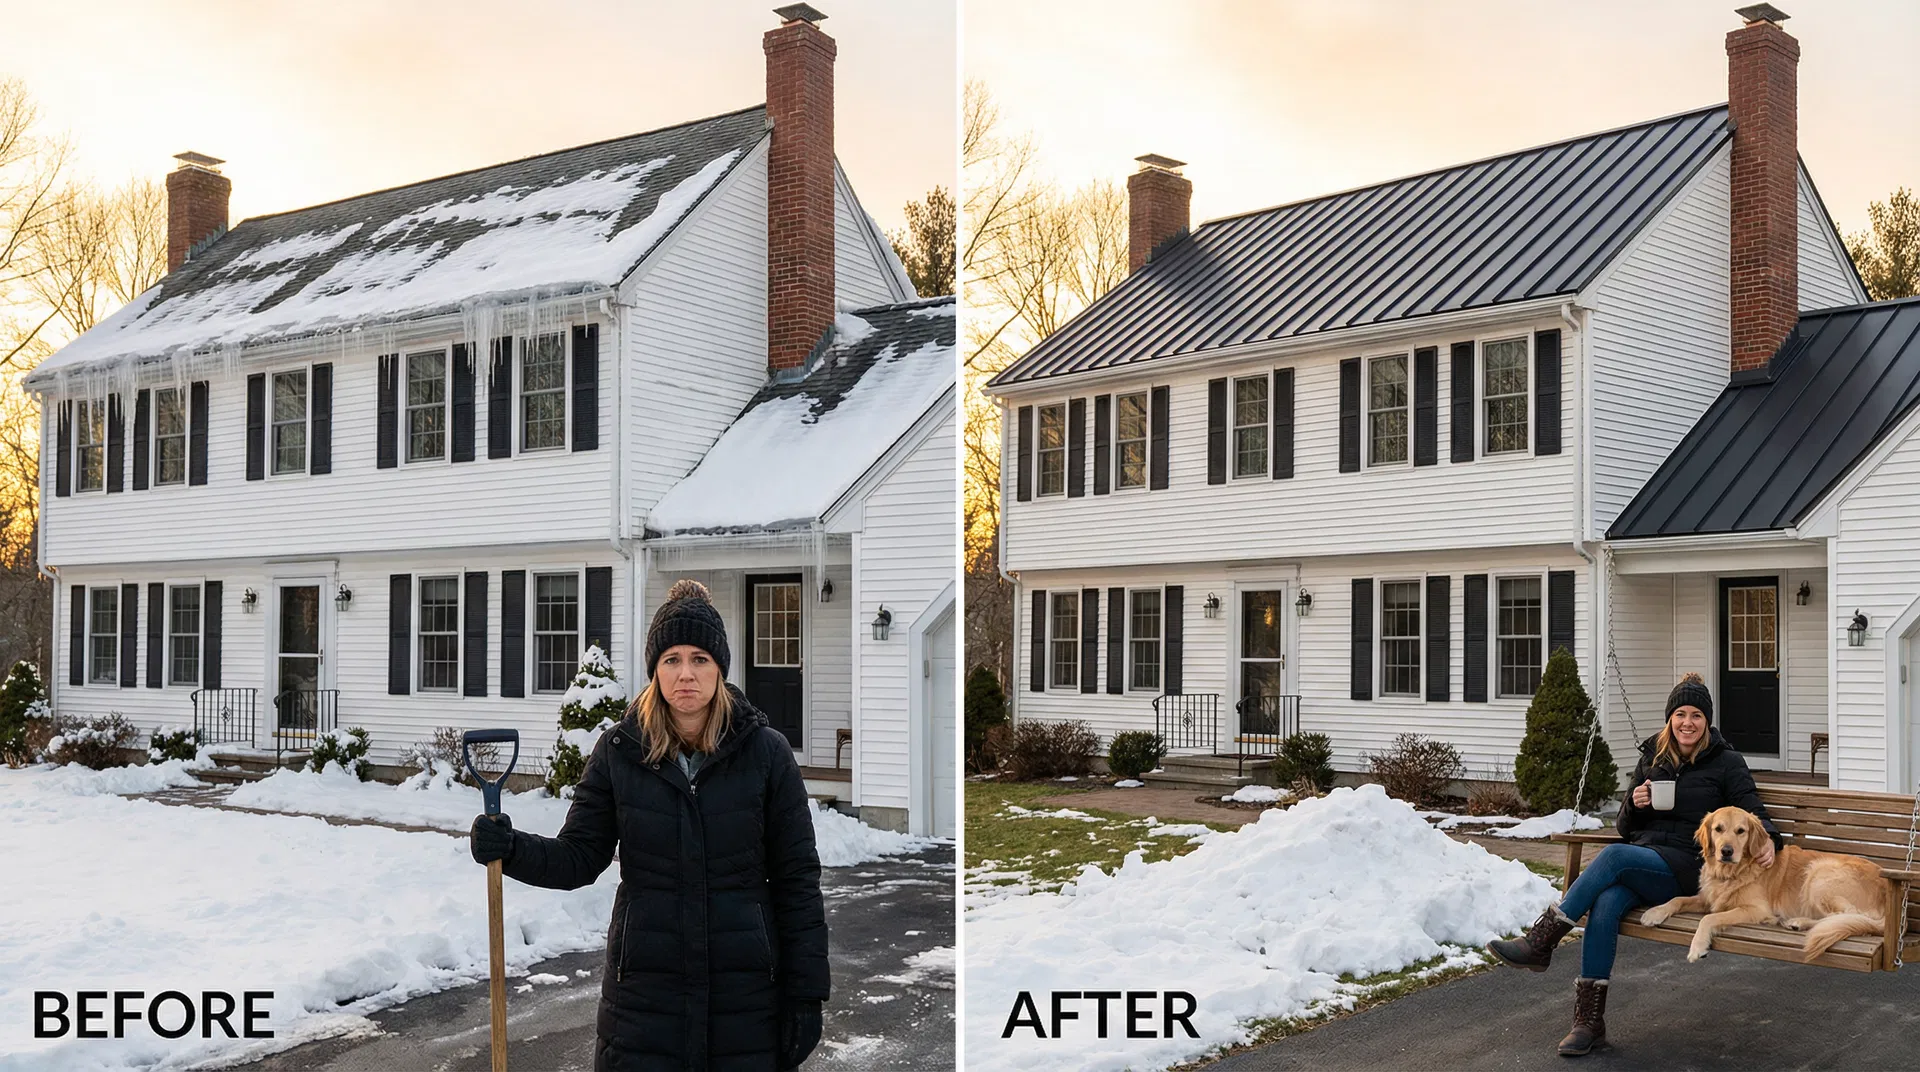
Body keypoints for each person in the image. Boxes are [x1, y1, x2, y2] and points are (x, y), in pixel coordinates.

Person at [470, 579, 828, 1071]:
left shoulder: (766, 754)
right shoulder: (620, 752)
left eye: (700, 659)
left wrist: (806, 995)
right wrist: (510, 849)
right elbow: (579, 855)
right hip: (643, 1002)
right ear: (654, 670)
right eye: (672, 659)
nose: (686, 674)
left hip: (744, 1002)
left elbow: (797, 881)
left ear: (720, 668)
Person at [1486, 671, 1780, 1057]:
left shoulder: (1726, 762)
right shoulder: (1652, 757)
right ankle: (1588, 1023)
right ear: (1669, 719)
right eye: (1680, 714)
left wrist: (1771, 841)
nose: (1687, 723)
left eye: (1695, 715)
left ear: (1707, 722)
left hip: (1687, 869)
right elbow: (1625, 828)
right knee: (1607, 900)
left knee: (1613, 856)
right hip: (1643, 858)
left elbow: (1752, 810)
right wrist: (1635, 804)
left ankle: (1543, 940)